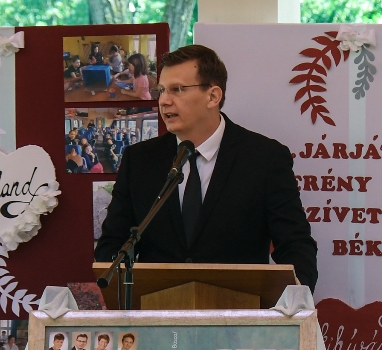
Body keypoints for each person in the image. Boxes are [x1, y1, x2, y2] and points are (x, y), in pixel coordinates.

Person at [94, 45, 318, 288]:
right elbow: (113, 244)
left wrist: (295, 299)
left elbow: (295, 245)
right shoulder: (139, 160)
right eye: (161, 91)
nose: (164, 101)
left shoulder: (264, 158)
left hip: (241, 307)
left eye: (177, 89)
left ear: (213, 96)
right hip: (156, 306)